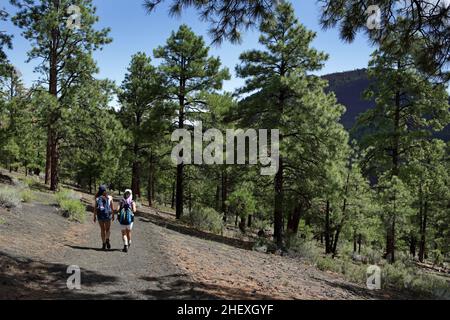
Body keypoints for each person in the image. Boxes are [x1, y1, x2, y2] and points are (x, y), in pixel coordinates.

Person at [93, 185, 115, 250]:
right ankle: (107, 238)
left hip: (100, 215)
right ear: (105, 190)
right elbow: (112, 207)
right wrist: (113, 215)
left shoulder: (97, 198)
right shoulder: (110, 197)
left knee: (102, 229)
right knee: (108, 229)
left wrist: (94, 216)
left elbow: (95, 209)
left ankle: (103, 243)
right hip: (108, 215)